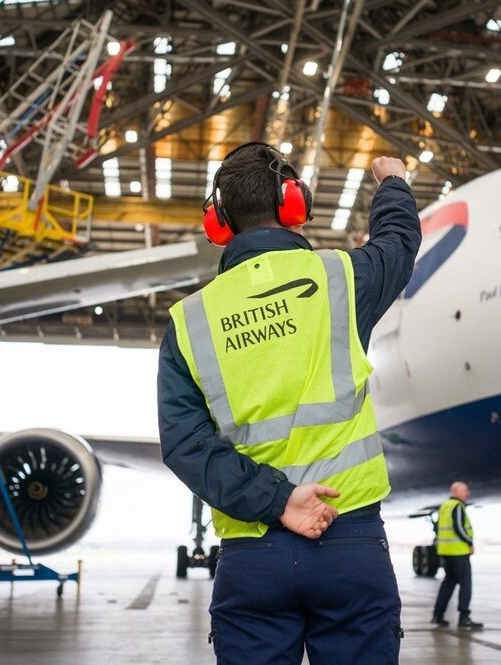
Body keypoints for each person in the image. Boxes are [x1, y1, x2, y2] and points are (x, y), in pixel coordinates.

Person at [157, 142, 420, 664]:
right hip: (348, 540)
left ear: (219, 223)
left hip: (254, 557)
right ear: (293, 204)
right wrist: (393, 184)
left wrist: (278, 501)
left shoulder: (189, 322)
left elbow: (185, 445)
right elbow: (397, 243)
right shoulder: (342, 279)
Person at [431, 481, 482, 629]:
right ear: (456, 492)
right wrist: (469, 542)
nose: (468, 493)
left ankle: (437, 615)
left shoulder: (445, 506)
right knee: (466, 585)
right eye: (465, 491)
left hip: (446, 552)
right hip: (459, 552)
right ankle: (464, 617)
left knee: (448, 583)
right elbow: (459, 527)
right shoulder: (457, 507)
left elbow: (437, 527)